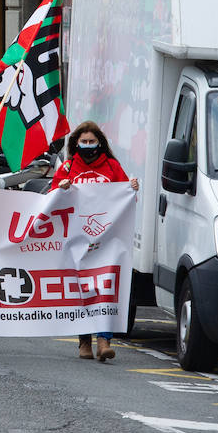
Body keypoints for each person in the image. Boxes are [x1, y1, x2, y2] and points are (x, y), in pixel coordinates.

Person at [52, 121, 139, 362]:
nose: (88, 146)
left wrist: (131, 189)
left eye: (92, 141)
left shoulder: (112, 167)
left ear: (100, 143)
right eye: (84, 142)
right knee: (82, 288)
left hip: (106, 240)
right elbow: (50, 199)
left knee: (105, 288)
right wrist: (61, 188)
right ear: (76, 143)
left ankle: (104, 341)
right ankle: (84, 341)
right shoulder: (68, 167)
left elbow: (127, 200)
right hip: (77, 240)